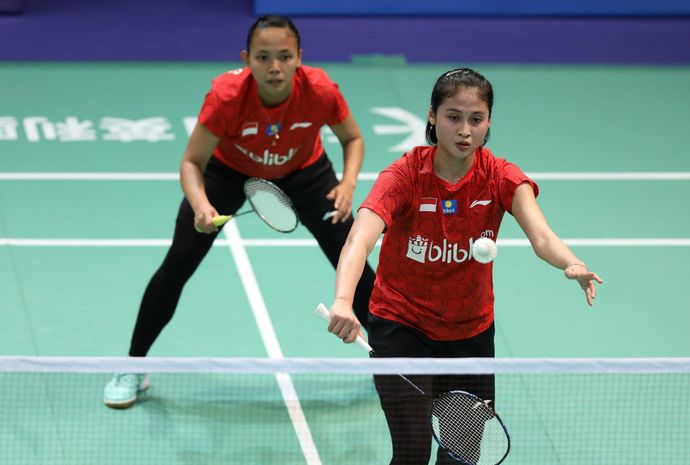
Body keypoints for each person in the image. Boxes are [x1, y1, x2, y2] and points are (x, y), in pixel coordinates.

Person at [325, 68, 603, 465]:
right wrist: (342, 300)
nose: (465, 130)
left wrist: (571, 263)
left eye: (476, 119)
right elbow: (360, 238)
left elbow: (542, 237)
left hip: (469, 333)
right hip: (402, 328)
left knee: (462, 457)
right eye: (453, 117)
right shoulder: (403, 177)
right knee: (411, 454)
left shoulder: (501, 177)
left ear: (488, 122)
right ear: (432, 116)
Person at [102, 15, 376, 409]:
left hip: (305, 173)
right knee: (177, 263)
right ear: (247, 59)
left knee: (353, 262)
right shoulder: (227, 95)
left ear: (300, 57)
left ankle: (391, 361)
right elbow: (191, 162)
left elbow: (352, 138)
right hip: (228, 172)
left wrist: (347, 184)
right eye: (264, 57)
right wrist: (200, 205)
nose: (275, 66)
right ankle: (132, 366)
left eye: (285, 56)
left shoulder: (319, 90)